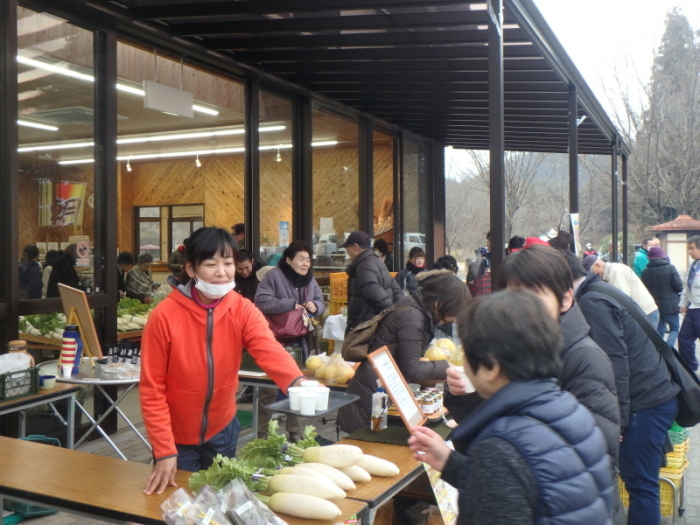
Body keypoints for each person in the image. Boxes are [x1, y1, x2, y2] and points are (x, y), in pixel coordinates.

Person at [409, 290, 613, 525]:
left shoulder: (500, 447)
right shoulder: (574, 412)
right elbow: (536, 489)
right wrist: (450, 463)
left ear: (491, 367)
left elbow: (508, 480)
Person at [140, 227, 305, 495]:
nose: (222, 272)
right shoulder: (164, 316)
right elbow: (152, 388)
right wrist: (164, 449)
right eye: (210, 264)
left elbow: (268, 349)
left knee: (219, 504)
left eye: (228, 263)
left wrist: (298, 382)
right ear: (191, 269)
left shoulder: (242, 308)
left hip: (223, 430)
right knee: (178, 508)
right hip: (177, 438)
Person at [568, 251, 680, 525]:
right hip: (651, 395)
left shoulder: (592, 300)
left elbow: (614, 362)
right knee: (641, 484)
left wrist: (617, 420)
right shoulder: (598, 290)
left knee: (641, 486)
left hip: (646, 403)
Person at [499, 246, 621, 467]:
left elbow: (596, 453)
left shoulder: (585, 359)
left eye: (533, 297)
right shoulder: (517, 351)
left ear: (565, 299)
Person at [338, 270, 469, 434]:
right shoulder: (413, 317)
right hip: (374, 392)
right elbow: (411, 368)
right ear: (439, 303)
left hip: (379, 384)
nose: (454, 318)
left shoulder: (415, 308)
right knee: (368, 441)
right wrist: (446, 367)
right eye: (454, 311)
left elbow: (406, 358)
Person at [254, 241, 325, 442]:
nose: (305, 264)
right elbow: (262, 301)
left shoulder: (310, 280)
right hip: (275, 341)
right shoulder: (274, 276)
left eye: (308, 260)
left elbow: (321, 301)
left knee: (298, 387)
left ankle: (294, 431)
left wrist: (315, 306)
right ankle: (262, 432)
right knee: (269, 389)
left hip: (300, 341)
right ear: (288, 260)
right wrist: (291, 304)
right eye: (301, 259)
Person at [343, 230, 402, 334]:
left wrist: (391, 317)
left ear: (355, 247)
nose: (347, 251)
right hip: (377, 326)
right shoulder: (378, 262)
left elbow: (378, 297)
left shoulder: (363, 267)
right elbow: (397, 292)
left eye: (347, 247)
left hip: (366, 327)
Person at [588, 256, 660, 327]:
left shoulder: (616, 271)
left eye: (592, 271)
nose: (592, 275)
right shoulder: (612, 271)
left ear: (598, 265)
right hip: (642, 312)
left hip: (645, 313)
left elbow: (621, 299)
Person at [641, 246, 683, 347]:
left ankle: (660, 351)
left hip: (655, 306)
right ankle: (670, 347)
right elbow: (679, 286)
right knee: (674, 328)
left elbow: (643, 289)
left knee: (659, 330)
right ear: (663, 257)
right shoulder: (670, 268)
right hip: (671, 305)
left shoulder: (645, 272)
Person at [679, 234, 700, 371]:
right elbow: (687, 287)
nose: (690, 252)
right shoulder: (693, 266)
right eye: (688, 249)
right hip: (692, 309)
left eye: (692, 248)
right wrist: (683, 302)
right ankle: (691, 368)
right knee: (684, 339)